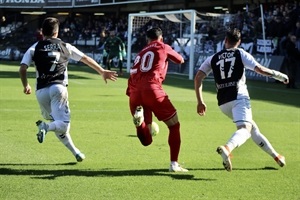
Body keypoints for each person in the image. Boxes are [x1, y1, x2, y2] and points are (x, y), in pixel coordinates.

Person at [19, 17, 118, 162]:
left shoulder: (34, 47)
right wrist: (102, 71)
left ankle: (75, 152)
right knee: (63, 125)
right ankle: (45, 127)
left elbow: (22, 68)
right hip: (58, 88)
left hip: (41, 92)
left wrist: (25, 85)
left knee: (57, 123)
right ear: (57, 32)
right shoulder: (66, 46)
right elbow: (85, 59)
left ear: (42, 32)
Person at [194, 28, 289, 172]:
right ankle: (228, 148)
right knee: (245, 129)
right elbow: (260, 70)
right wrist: (279, 75)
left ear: (225, 41)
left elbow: (198, 77)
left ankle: (276, 156)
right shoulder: (240, 53)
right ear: (239, 42)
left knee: (252, 128)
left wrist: (200, 101)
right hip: (239, 96)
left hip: (223, 102)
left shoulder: (212, 58)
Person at [126, 27, 188, 172]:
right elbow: (180, 60)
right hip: (153, 89)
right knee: (174, 126)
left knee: (146, 140)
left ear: (147, 39)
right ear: (161, 38)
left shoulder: (140, 53)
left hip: (135, 93)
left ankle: (140, 122)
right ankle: (174, 164)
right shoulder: (163, 46)